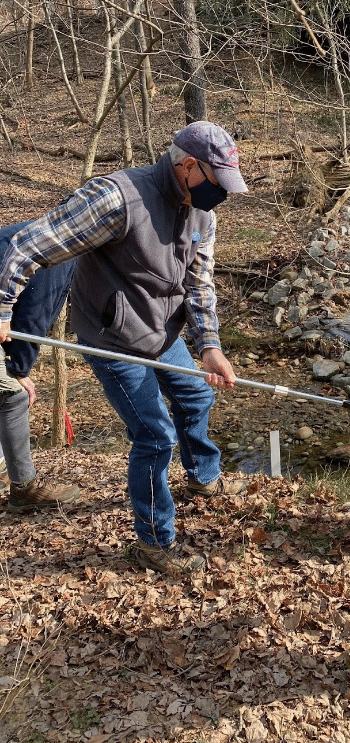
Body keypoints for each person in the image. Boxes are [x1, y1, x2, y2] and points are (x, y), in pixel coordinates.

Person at [0, 121, 248, 576]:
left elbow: (199, 284)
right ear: (188, 166)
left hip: (163, 330)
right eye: (218, 183)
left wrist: (209, 345)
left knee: (196, 394)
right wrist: (2, 308)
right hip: (113, 337)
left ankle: (202, 478)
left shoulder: (203, 213)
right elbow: (28, 246)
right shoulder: (115, 198)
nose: (222, 196)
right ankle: (153, 541)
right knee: (154, 435)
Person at [0, 222, 77, 508]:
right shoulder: (60, 252)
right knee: (12, 395)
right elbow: (32, 318)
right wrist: (19, 369)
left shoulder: (46, 231)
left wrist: (12, 360)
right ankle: (24, 487)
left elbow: (12, 316)